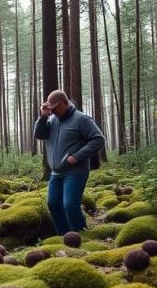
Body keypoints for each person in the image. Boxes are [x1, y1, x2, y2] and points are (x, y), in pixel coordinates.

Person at [33, 89, 105, 235]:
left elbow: (98, 139)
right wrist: (43, 117)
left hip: (75, 172)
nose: (52, 112)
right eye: (50, 109)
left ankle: (81, 236)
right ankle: (65, 236)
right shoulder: (51, 120)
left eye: (55, 108)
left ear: (65, 103)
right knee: (53, 204)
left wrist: (77, 156)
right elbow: (39, 135)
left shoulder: (82, 119)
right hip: (56, 172)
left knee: (70, 205)